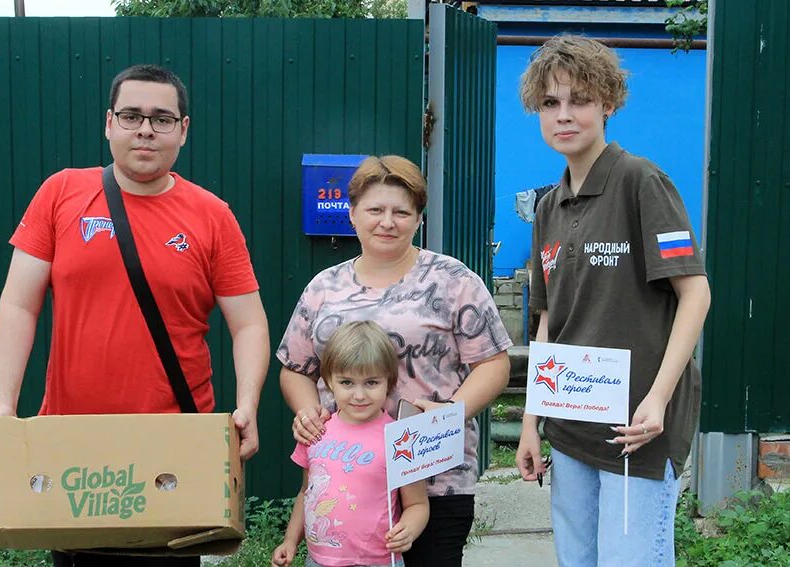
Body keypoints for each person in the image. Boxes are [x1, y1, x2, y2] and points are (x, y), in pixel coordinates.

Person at [0, 64, 270, 567]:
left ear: (184, 130)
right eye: (132, 115)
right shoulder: (61, 194)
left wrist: (246, 404)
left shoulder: (212, 215)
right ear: (108, 123)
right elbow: (17, 305)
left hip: (172, 448)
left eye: (162, 118)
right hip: (75, 445)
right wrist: (5, 411)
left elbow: (248, 323)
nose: (145, 128)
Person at [515, 35, 711, 567]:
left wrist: (658, 399)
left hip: (637, 430)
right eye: (551, 103)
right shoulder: (548, 208)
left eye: (579, 99)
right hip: (571, 427)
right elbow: (549, 321)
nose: (565, 115)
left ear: (608, 102)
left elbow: (695, 292)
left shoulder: (642, 182)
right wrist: (533, 421)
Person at [277, 155, 512, 566]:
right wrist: (308, 412)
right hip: (348, 481)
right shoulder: (323, 288)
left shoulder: (452, 280)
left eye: (401, 212)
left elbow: (493, 364)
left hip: (435, 478)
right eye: (375, 210)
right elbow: (295, 368)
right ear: (352, 214)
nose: (387, 222)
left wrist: (450, 413)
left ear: (418, 218)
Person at [272, 321, 430, 567]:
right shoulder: (316, 431)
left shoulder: (400, 439)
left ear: (388, 382)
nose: (359, 395)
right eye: (347, 382)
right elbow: (306, 493)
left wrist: (409, 529)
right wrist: (290, 541)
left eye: (371, 383)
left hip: (377, 561)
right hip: (317, 561)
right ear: (329, 382)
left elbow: (417, 504)